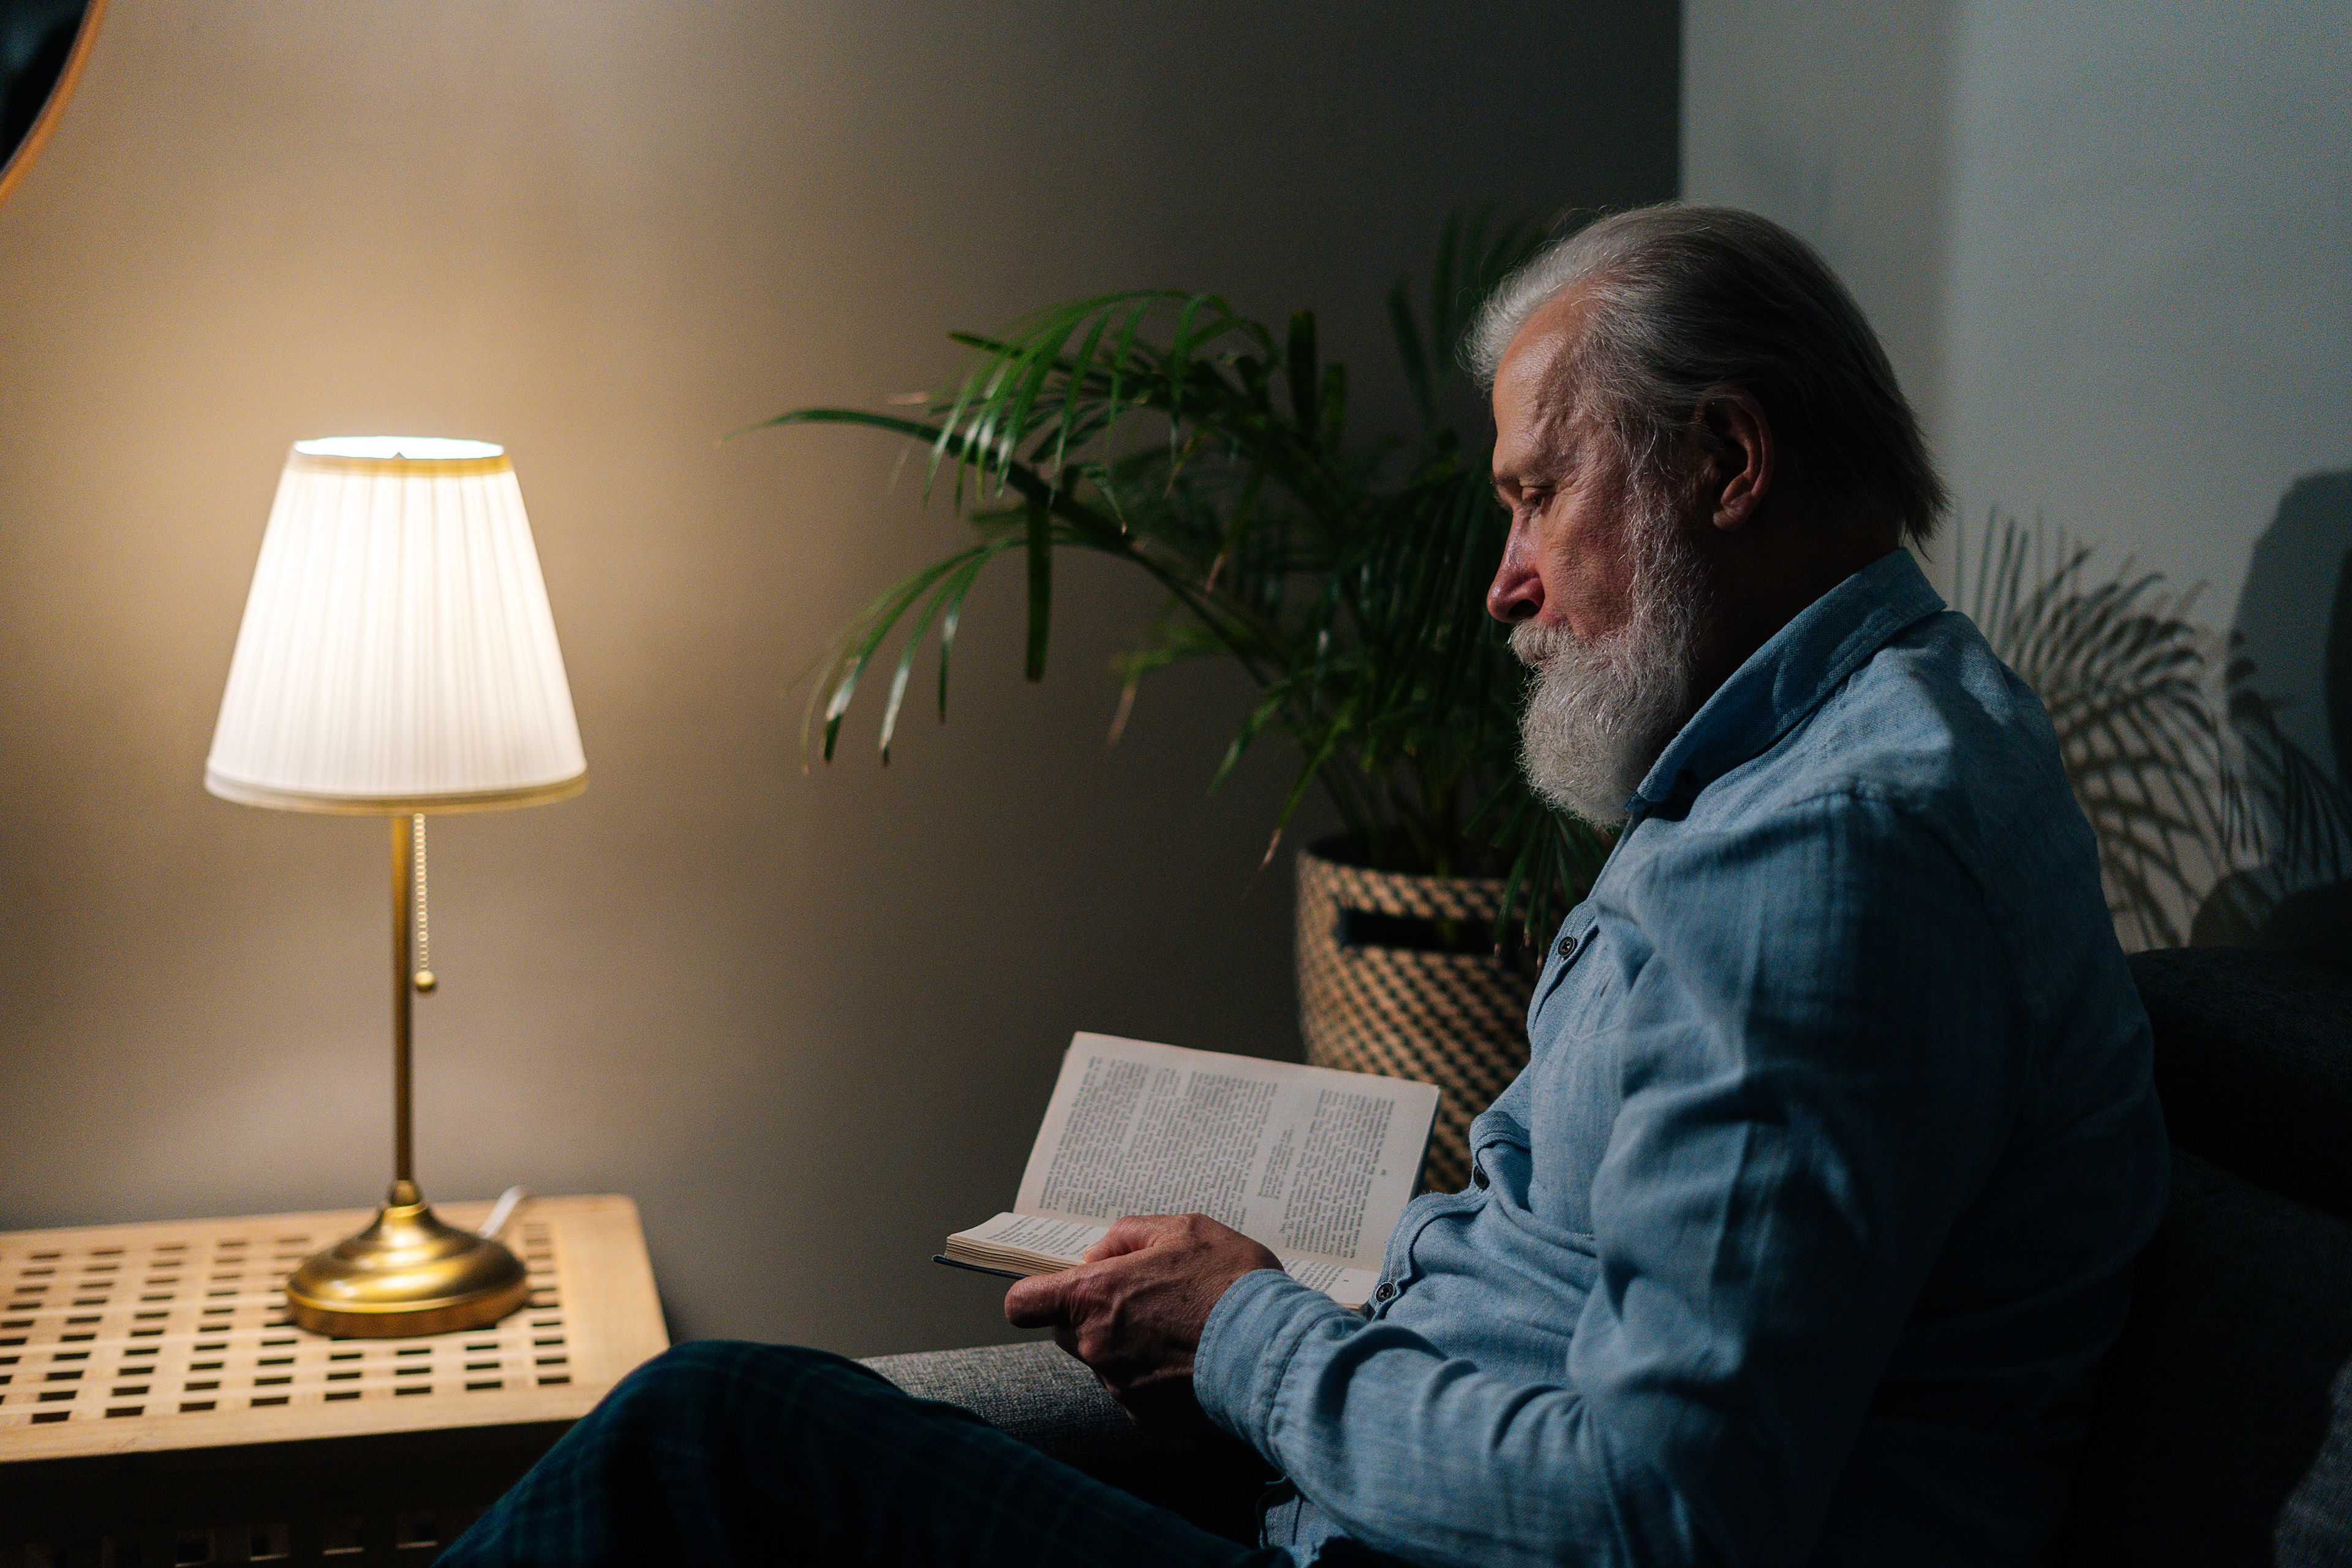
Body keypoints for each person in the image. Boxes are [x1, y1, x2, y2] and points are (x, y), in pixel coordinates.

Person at [439, 205, 2169, 1567]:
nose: (1500, 585)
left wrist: (1252, 1334)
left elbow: (1661, 1522)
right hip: (1386, 1490)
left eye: (1537, 495)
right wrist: (1317, 1274)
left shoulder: (1830, 858)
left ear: (1726, 463)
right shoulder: (1870, 730)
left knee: (713, 1435)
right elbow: (1605, 1269)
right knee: (782, 1431)